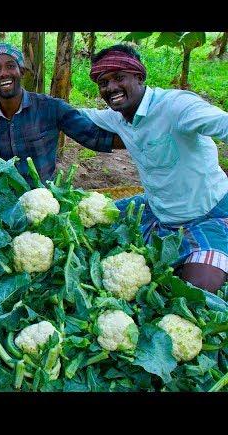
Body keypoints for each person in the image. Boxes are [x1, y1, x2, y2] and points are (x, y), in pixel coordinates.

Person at [80, 44, 228, 293]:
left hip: (207, 214)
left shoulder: (176, 106)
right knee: (88, 222)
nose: (111, 88)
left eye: (119, 78)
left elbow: (222, 123)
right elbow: (73, 115)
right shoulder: (117, 116)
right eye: (103, 82)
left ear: (139, 76)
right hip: (157, 209)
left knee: (196, 292)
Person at [0, 43, 124, 186]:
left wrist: (139, 138)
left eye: (10, 66)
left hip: (44, 199)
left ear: (21, 71)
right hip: (3, 202)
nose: (4, 73)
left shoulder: (50, 108)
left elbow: (94, 137)